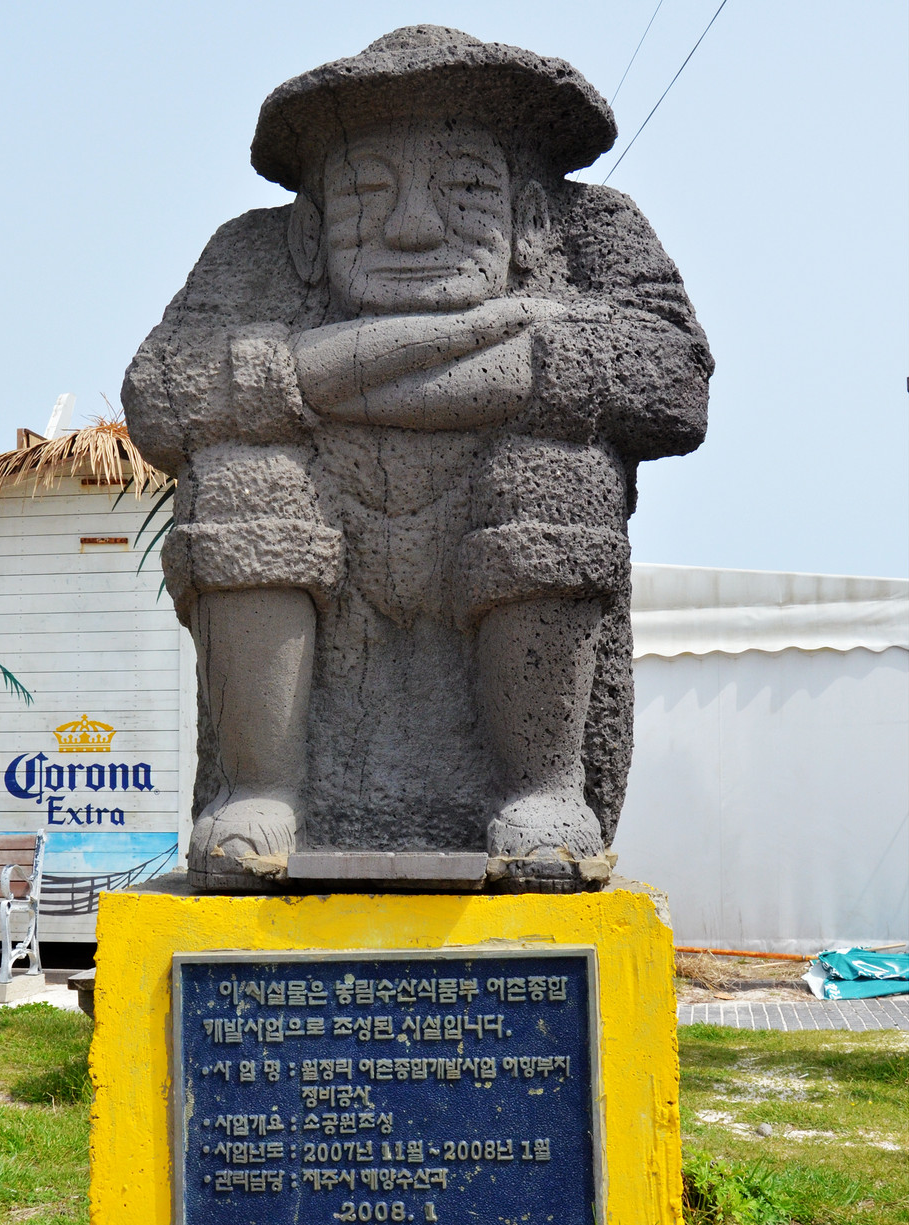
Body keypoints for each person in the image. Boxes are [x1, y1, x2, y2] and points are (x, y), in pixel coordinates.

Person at [123, 26, 713, 892]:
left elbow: (672, 382)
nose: (411, 229)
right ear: (311, 222)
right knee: (247, 476)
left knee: (554, 470)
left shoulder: (597, 233)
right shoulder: (252, 251)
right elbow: (162, 396)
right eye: (367, 193)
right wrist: (488, 351)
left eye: (466, 189)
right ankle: (260, 792)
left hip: (500, 549)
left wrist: (328, 370)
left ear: (532, 213)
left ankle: (542, 796)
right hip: (323, 556)